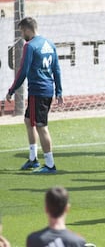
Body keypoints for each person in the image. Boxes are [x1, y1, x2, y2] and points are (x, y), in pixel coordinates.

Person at [6, 17, 63, 174]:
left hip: (37, 91)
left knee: (41, 126)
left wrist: (11, 90)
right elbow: (56, 69)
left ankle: (50, 164)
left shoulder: (29, 46)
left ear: (28, 30)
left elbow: (23, 71)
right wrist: (59, 90)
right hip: (47, 90)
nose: (22, 34)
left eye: (22, 31)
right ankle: (33, 158)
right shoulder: (49, 44)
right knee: (28, 120)